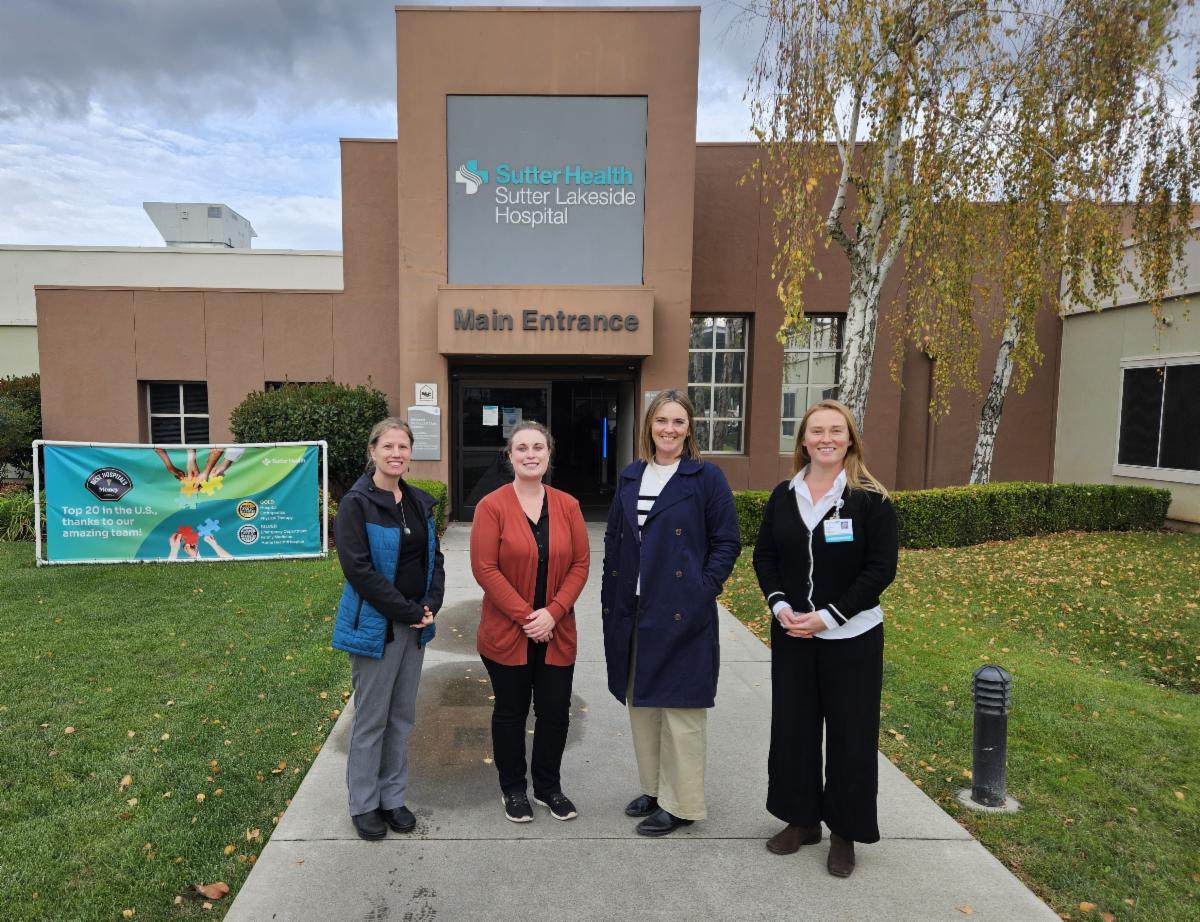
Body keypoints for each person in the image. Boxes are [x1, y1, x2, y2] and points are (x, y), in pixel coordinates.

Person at [751, 399, 898, 878]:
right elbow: (765, 556)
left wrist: (830, 617)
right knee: (793, 729)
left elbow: (880, 569)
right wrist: (780, 606)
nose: (826, 439)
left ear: (850, 439)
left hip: (853, 636)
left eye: (836, 430)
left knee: (851, 736)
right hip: (794, 634)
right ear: (803, 440)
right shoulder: (784, 494)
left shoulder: (870, 499)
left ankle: (844, 833)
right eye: (817, 431)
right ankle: (801, 820)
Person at [601, 389, 740, 837]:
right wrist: (610, 597)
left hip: (682, 608)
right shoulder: (631, 475)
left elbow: (726, 541)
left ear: (689, 428)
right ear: (649, 425)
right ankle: (655, 788)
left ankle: (681, 804)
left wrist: (703, 588)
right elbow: (615, 541)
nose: (669, 429)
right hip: (634, 607)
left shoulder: (706, 477)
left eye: (678, 421)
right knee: (643, 705)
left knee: (681, 710)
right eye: (662, 420)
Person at [470, 421, 590, 823]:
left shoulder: (568, 506)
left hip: (557, 630)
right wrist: (527, 617)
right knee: (511, 711)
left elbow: (580, 564)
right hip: (508, 631)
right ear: (510, 456)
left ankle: (548, 787)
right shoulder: (491, 506)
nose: (530, 454)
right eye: (521, 448)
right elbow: (485, 568)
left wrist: (554, 612)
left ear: (549, 454)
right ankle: (513, 789)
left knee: (555, 711)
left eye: (538, 447)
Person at [331, 418, 444, 841]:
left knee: (401, 718)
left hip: (415, 626)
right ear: (373, 451)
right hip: (377, 628)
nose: (396, 454)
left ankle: (392, 798)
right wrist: (407, 610)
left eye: (403, 447)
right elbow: (358, 570)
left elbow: (434, 560)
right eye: (388, 446)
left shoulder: (418, 502)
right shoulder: (357, 504)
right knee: (372, 719)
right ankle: (364, 804)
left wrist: (430, 603)